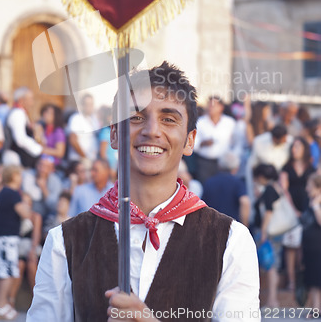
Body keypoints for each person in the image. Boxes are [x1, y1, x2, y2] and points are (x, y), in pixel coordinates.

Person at [27, 62, 260, 322]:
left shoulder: (230, 241)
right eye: (136, 117)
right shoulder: (65, 242)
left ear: (190, 140)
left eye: (168, 119)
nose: (151, 130)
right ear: (113, 133)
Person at [0, 165, 31, 320]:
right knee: (7, 275)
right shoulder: (12, 193)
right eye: (19, 175)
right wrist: (26, 203)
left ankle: (0, 305)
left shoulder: (3, 192)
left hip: (0, 240)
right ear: (13, 176)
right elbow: (25, 213)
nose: (22, 178)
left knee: (2, 274)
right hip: (6, 241)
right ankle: (0, 305)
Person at [279, 137, 315, 291]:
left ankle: (303, 281)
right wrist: (294, 210)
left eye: (298, 147)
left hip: (308, 210)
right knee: (290, 245)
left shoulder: (311, 168)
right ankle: (291, 281)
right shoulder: (286, 167)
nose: (295, 149)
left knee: (304, 246)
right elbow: (283, 189)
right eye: (293, 147)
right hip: (290, 210)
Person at [252, 164, 282, 309]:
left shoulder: (269, 189)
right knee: (270, 265)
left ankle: (272, 300)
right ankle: (271, 300)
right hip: (271, 233)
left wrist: (263, 231)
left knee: (271, 266)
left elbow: (269, 211)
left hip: (269, 234)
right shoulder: (274, 188)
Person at [193, 96, 236, 184]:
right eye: (209, 105)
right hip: (205, 162)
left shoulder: (229, 122)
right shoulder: (200, 122)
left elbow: (236, 142)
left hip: (224, 162)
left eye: (213, 105)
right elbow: (193, 142)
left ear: (221, 107)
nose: (210, 108)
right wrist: (203, 143)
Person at [202, 152, 250, 226]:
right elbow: (245, 202)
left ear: (219, 166)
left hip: (212, 225)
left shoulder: (209, 182)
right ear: (236, 168)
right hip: (232, 226)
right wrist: (245, 226)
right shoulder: (238, 182)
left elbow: (203, 205)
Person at [3, 87, 43, 168]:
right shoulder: (18, 113)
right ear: (21, 100)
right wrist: (38, 149)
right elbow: (20, 139)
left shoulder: (22, 113)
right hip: (16, 158)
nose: (32, 103)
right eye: (30, 99)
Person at [301, 173, 321, 315]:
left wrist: (315, 207)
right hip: (310, 246)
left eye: (310, 185)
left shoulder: (317, 203)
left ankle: (316, 309)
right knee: (313, 279)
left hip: (318, 246)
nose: (307, 188)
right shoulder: (309, 200)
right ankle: (316, 307)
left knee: (317, 278)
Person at [67, 93, 100, 164]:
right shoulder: (76, 118)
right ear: (82, 105)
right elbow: (73, 140)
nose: (90, 107)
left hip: (92, 159)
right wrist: (85, 157)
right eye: (87, 104)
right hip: (79, 160)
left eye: (91, 104)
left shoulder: (94, 119)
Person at [35, 103, 66, 168]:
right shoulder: (44, 129)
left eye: (48, 113)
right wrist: (38, 134)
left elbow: (60, 152)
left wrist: (40, 150)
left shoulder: (58, 132)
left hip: (53, 166)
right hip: (41, 164)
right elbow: (40, 143)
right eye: (45, 112)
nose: (45, 114)